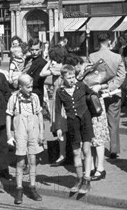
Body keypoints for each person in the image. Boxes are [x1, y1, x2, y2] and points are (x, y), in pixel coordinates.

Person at [54, 64, 94, 195]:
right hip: (72, 123)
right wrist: (59, 127)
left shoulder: (81, 86)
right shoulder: (60, 92)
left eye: (73, 77)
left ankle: (87, 180)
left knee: (86, 150)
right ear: (63, 78)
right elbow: (58, 111)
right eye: (69, 77)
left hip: (86, 121)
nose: (72, 80)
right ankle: (79, 179)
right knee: (76, 152)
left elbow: (92, 95)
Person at [88, 33, 126, 164]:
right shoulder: (117, 57)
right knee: (113, 121)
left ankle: (97, 145)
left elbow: (90, 76)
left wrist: (100, 86)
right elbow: (121, 76)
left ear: (98, 42)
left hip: (97, 93)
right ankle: (114, 149)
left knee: (97, 120)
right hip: (114, 93)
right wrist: (110, 87)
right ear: (109, 41)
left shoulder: (92, 56)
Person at [6, 74, 44, 204]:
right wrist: (9, 135)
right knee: (20, 161)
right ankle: (19, 189)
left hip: (33, 128)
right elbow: (8, 116)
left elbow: (39, 115)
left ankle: (32, 187)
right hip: (20, 129)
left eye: (32, 86)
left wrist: (41, 133)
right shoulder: (14, 98)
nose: (31, 89)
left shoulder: (35, 98)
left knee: (33, 160)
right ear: (20, 86)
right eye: (28, 87)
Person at [25, 39, 49, 107]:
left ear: (41, 49)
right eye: (32, 50)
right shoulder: (27, 60)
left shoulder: (43, 63)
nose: (34, 52)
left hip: (35, 94)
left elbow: (36, 81)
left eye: (37, 49)